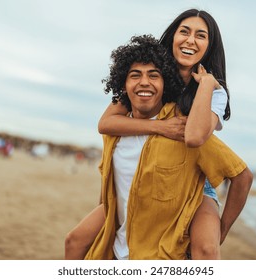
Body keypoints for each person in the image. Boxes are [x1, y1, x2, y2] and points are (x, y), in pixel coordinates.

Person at [65, 9, 232, 259]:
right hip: (143, 173)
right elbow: (106, 123)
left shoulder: (215, 92)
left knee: (207, 249)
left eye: (201, 35)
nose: (190, 40)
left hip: (196, 183)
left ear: (210, 46)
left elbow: (195, 136)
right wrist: (160, 127)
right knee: (74, 241)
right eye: (184, 31)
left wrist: (206, 85)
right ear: (172, 36)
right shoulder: (153, 74)